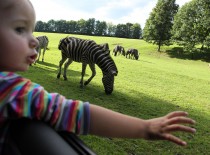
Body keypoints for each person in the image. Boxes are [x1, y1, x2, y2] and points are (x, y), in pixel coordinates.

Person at [0, 0, 196, 154]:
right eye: (20, 29)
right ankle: (63, 71)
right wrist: (144, 127)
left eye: (32, 30)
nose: (35, 40)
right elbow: (76, 113)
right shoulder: (15, 91)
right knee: (66, 64)